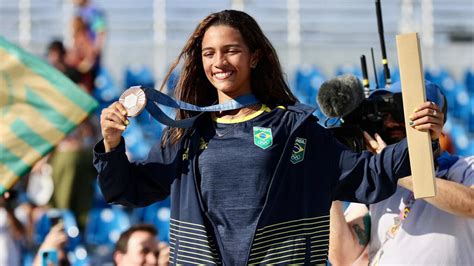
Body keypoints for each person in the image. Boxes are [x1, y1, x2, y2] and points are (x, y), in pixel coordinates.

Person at [93, 10, 443, 265]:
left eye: (231, 50)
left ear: (255, 56)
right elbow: (128, 190)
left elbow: (368, 174)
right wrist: (111, 143)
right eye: (209, 53)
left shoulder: (295, 130)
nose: (219, 62)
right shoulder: (186, 133)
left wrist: (422, 134)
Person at [328, 81, 474, 265]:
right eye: (383, 115)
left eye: (400, 112)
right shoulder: (378, 183)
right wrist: (330, 180)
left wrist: (395, 169)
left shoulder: (465, 168)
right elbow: (343, 257)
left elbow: (471, 204)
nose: (389, 123)